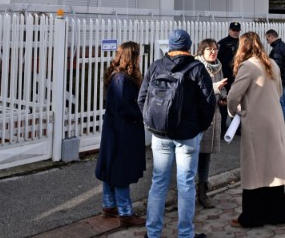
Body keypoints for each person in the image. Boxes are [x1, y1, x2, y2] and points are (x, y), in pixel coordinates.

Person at [138, 29, 216, 238]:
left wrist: (152, 122)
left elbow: (142, 98)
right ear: (189, 46)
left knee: (158, 183)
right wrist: (200, 127)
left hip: (160, 134)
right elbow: (208, 103)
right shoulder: (197, 68)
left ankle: (152, 233)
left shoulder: (156, 66)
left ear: (170, 46)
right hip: (188, 135)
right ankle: (185, 234)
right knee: (186, 184)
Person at [226, 32, 285, 228]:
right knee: (273, 168)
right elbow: (279, 91)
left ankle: (252, 216)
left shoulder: (248, 66)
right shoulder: (272, 63)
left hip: (256, 122)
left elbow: (233, 96)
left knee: (254, 169)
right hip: (275, 119)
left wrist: (234, 111)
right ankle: (276, 214)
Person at [95, 42, 147, 227]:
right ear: (131, 57)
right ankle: (125, 212)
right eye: (138, 56)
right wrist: (142, 113)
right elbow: (123, 108)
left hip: (118, 129)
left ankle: (109, 205)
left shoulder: (120, 77)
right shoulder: (121, 79)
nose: (140, 59)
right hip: (121, 131)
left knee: (112, 167)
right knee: (120, 171)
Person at [194, 38, 228, 209]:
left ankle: (202, 191)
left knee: (206, 156)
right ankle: (186, 192)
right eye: (209, 49)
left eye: (215, 49)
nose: (213, 52)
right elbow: (197, 91)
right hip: (198, 117)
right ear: (202, 51)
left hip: (213, 115)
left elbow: (221, 88)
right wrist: (215, 88)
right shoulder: (196, 66)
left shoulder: (219, 66)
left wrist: (223, 97)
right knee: (193, 155)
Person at [216, 22, 241, 131]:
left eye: (237, 30)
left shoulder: (242, 43)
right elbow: (217, 61)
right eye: (233, 30)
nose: (235, 32)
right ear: (229, 30)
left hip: (238, 78)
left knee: (237, 103)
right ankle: (222, 128)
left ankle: (236, 128)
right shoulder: (222, 43)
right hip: (226, 78)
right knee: (224, 102)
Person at [266, 29, 285, 122]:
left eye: (267, 39)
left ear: (271, 37)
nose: (267, 42)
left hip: (278, 80)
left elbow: (276, 67)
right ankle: (284, 122)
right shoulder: (283, 46)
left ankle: (282, 124)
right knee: (282, 101)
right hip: (284, 78)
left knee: (280, 102)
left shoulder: (277, 49)